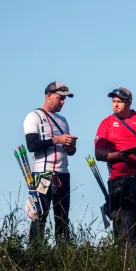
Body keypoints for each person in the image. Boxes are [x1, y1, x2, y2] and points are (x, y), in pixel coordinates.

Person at [94, 87, 136, 256]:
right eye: (113, 101)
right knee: (125, 225)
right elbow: (99, 154)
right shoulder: (106, 124)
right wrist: (118, 155)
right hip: (119, 180)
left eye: (119, 101)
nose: (115, 105)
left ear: (129, 102)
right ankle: (128, 266)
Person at [23, 81, 78, 244]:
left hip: (63, 174)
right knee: (38, 217)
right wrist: (56, 139)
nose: (62, 102)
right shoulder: (33, 116)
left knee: (62, 218)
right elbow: (32, 145)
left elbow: (71, 152)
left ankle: (64, 256)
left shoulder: (63, 120)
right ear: (48, 96)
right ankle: (34, 255)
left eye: (64, 99)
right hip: (42, 174)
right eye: (59, 98)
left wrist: (71, 146)